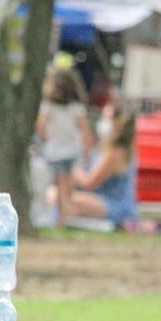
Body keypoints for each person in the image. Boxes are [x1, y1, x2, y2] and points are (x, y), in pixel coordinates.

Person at [54, 100, 139, 231]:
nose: (102, 122)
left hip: (116, 206)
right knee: (55, 194)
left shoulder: (117, 153)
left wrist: (68, 167)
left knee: (70, 200)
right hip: (98, 200)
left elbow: (89, 182)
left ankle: (63, 220)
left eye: (106, 118)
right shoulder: (103, 149)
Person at [35, 68, 94, 224]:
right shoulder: (76, 108)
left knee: (60, 185)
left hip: (54, 151)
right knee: (67, 186)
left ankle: (64, 215)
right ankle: (65, 215)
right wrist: (87, 150)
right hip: (72, 151)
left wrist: (45, 138)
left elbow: (40, 126)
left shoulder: (48, 106)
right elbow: (85, 130)